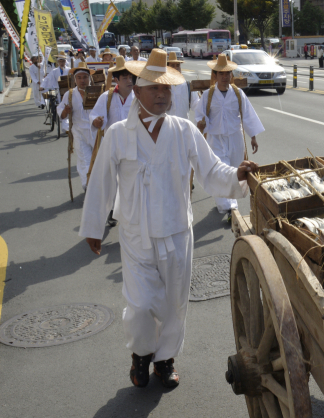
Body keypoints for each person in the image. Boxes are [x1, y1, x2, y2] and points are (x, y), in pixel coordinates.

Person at [79, 49, 257, 389]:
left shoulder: (184, 130)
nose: (162, 95)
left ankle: (165, 360)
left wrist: (238, 174)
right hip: (135, 234)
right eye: (154, 89)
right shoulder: (118, 134)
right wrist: (93, 226)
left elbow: (210, 169)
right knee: (142, 304)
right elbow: (101, 182)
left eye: (167, 89)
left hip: (177, 230)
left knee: (175, 302)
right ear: (138, 91)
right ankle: (141, 354)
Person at [195, 55, 264, 221]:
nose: (225, 77)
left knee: (234, 169)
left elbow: (247, 115)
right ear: (216, 75)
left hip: (235, 138)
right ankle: (229, 208)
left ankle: (228, 202)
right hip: (215, 138)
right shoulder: (207, 95)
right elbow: (199, 114)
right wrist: (201, 124)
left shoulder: (238, 94)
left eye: (227, 74)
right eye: (221, 74)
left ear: (231, 75)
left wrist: (253, 137)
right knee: (220, 170)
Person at [89, 56, 134, 227]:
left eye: (131, 77)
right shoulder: (106, 97)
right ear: (116, 79)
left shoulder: (138, 97)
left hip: (134, 144)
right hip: (113, 145)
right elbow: (94, 115)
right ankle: (111, 210)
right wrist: (96, 122)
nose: (129, 81)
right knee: (112, 180)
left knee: (130, 179)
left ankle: (128, 211)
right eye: (125, 78)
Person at [57, 62, 95, 191]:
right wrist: (66, 111)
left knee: (99, 160)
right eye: (79, 77)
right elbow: (61, 111)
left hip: (97, 132)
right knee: (84, 160)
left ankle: (99, 186)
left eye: (85, 77)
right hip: (79, 131)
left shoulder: (98, 92)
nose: (82, 80)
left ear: (89, 78)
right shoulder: (70, 94)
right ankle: (88, 187)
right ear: (75, 80)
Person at [166, 52, 200, 119]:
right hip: (167, 127)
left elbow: (196, 106)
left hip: (183, 127)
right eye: (172, 66)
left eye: (178, 65)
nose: (176, 68)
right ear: (167, 68)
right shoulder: (163, 86)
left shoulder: (188, 86)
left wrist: (205, 99)